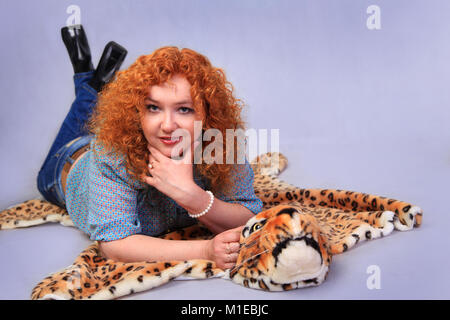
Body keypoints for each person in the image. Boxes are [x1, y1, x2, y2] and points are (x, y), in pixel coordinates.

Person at [37, 25, 263, 270]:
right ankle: (90, 83)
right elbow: (114, 244)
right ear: (138, 112)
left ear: (207, 115)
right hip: (65, 164)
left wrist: (192, 197)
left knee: (89, 113)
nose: (167, 125)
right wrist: (205, 250)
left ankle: (91, 79)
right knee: (82, 118)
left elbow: (248, 217)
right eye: (153, 107)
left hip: (94, 149)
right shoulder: (111, 156)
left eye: (184, 109)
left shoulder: (221, 146)